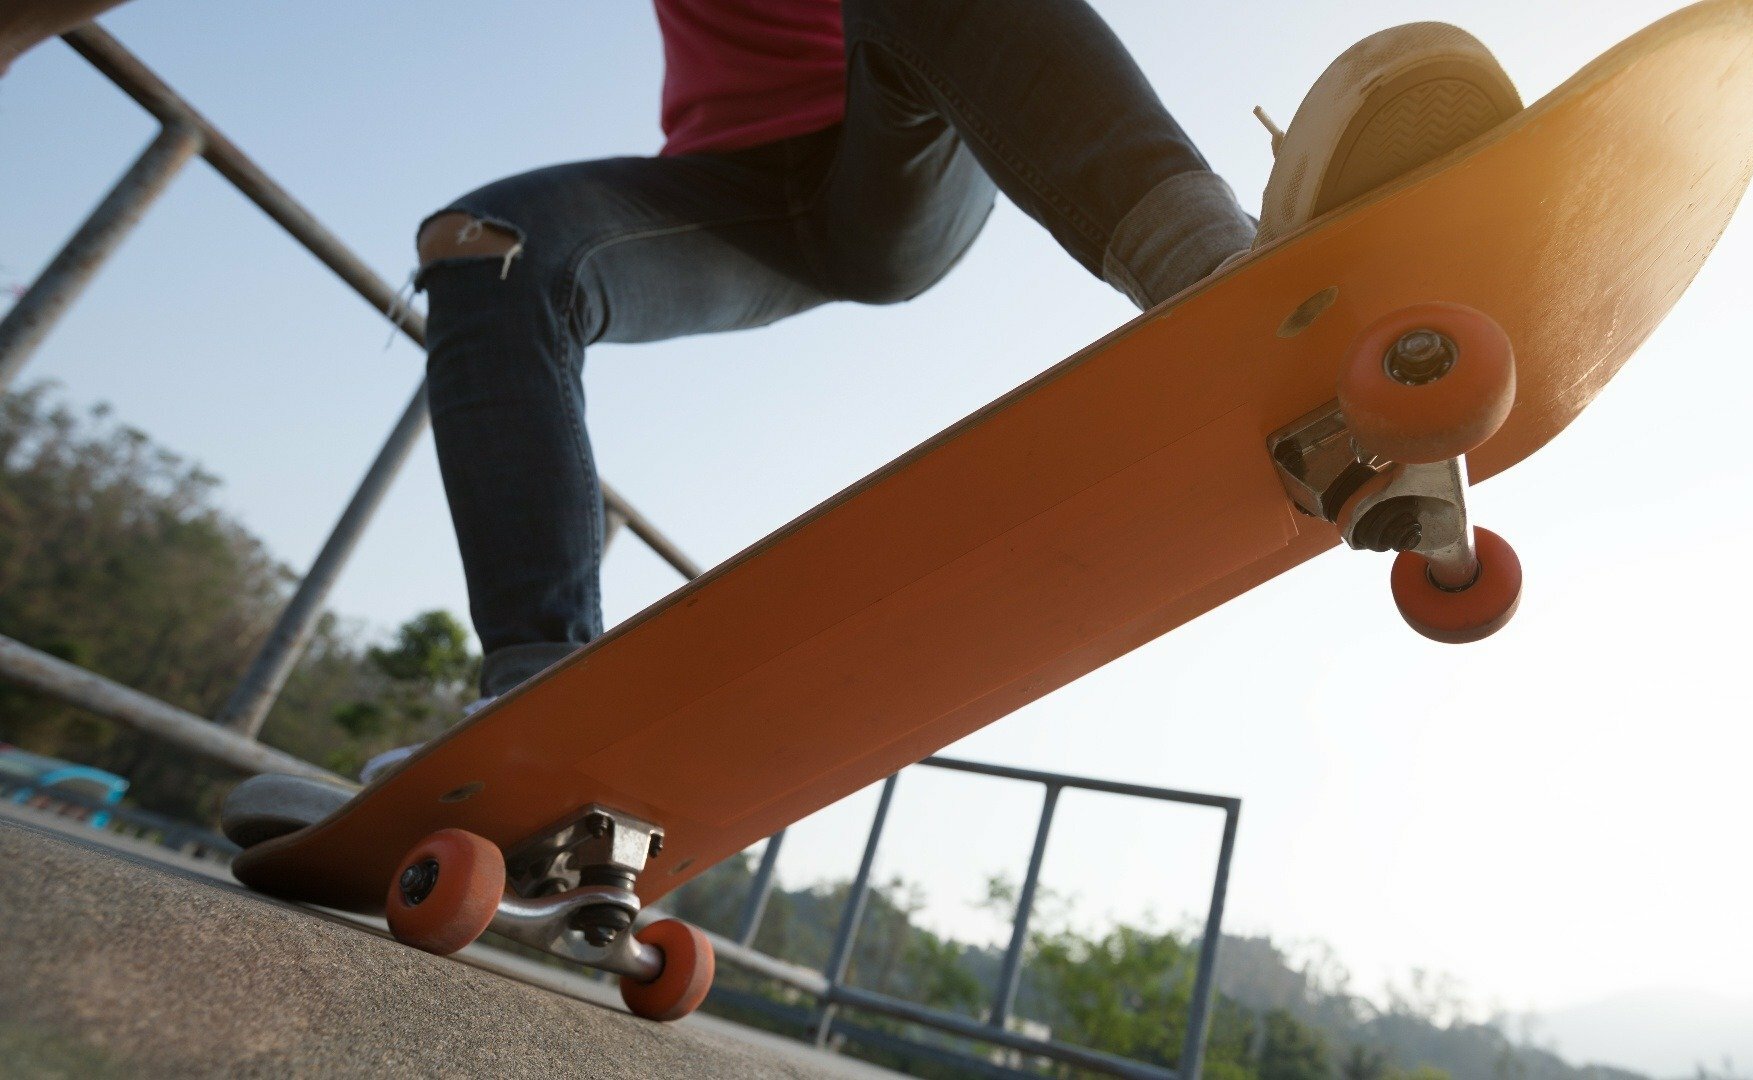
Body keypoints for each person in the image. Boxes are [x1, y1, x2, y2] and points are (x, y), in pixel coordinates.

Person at [410, 0, 1523, 715]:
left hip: (889, 144)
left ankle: (1225, 293)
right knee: (486, 250)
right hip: (732, 207)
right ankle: (533, 698)